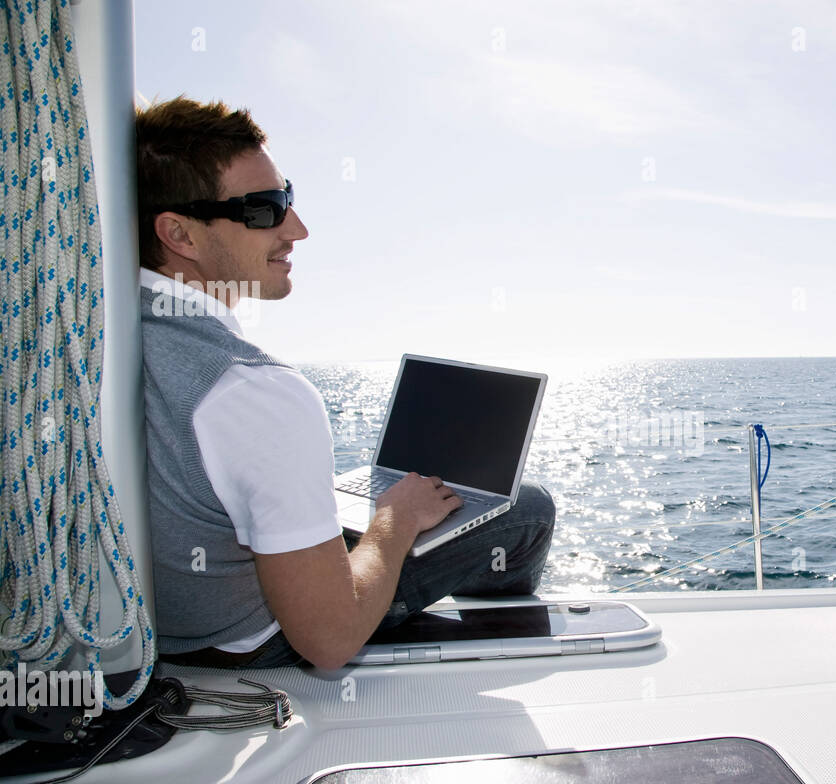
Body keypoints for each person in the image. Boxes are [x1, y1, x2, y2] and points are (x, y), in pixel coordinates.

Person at [135, 97, 554, 670]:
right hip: (248, 642)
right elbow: (327, 642)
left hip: (159, 626)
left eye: (289, 198)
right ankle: (504, 649)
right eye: (263, 209)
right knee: (526, 508)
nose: (297, 229)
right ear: (178, 233)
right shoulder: (254, 392)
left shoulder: (95, 332)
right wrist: (394, 519)